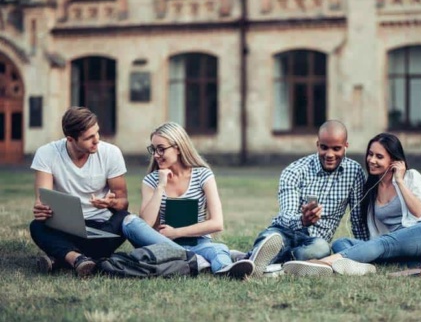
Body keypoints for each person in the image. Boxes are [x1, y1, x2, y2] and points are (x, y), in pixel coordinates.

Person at [283, 133, 421, 276]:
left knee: (383, 242)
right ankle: (375, 265)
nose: (372, 160)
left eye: (379, 157)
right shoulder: (370, 189)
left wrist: (399, 181)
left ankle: (324, 264)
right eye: (370, 154)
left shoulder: (411, 177)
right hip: (392, 246)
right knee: (341, 244)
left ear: (394, 161)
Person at [121, 122, 254, 279]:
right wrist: (160, 186)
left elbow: (217, 223)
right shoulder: (151, 181)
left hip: (198, 242)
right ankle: (198, 259)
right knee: (129, 222)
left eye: (161, 149)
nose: (156, 154)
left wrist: (176, 232)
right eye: (154, 149)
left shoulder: (203, 175)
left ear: (177, 148)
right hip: (162, 243)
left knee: (217, 249)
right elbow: (147, 224)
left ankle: (224, 268)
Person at [235, 120, 367, 278]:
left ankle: (255, 261)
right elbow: (286, 215)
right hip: (285, 232)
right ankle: (264, 262)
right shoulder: (295, 171)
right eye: (324, 147)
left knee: (322, 248)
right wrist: (302, 220)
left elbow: (357, 218)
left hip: (314, 242)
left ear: (346, 146)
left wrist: (365, 249)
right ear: (317, 145)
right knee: (272, 238)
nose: (330, 154)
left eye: (336, 148)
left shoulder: (354, 172)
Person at [30, 106, 130, 278]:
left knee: (125, 219)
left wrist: (111, 203)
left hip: (101, 228)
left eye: (97, 133)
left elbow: (123, 202)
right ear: (70, 139)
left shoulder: (111, 153)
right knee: (37, 226)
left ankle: (61, 258)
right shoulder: (46, 153)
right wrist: (42, 208)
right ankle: (78, 259)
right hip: (66, 227)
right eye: (89, 137)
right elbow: (44, 198)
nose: (96, 140)